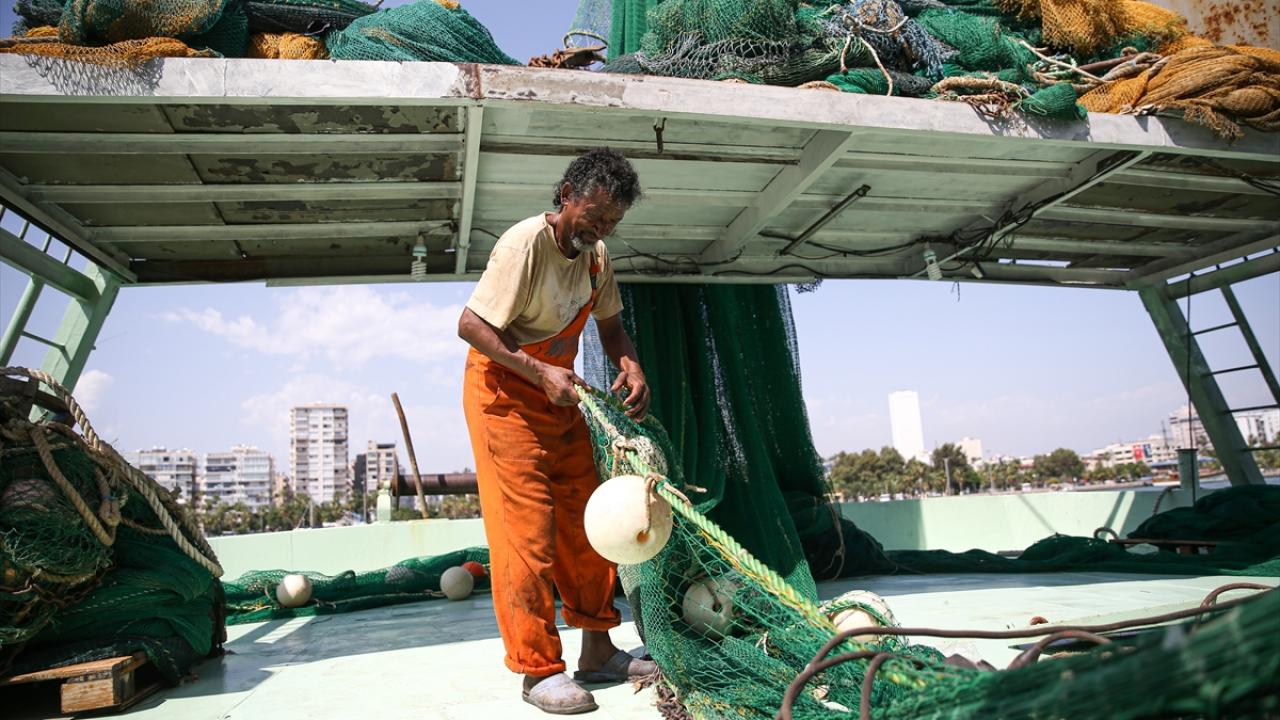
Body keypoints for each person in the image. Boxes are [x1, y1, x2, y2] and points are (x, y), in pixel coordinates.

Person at [457, 148, 655, 715]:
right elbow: (470, 324)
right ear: (567, 195)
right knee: (527, 537)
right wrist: (538, 371)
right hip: (504, 398)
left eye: (612, 221)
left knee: (587, 522)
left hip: (560, 395)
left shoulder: (596, 258)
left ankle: (598, 650)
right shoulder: (524, 245)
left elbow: (611, 327)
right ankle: (538, 670)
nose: (601, 229)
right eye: (594, 215)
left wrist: (631, 366)